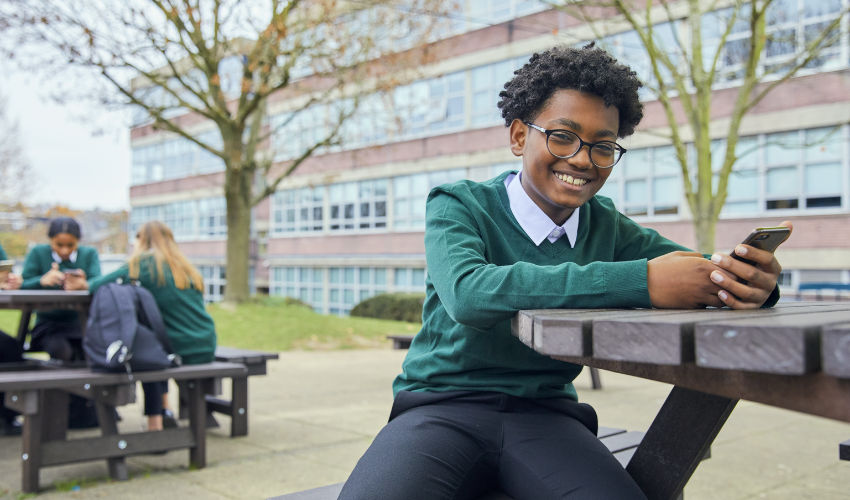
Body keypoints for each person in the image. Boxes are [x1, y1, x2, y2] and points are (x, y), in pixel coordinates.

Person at [337, 44, 790, 500]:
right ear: (519, 136)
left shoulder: (607, 223)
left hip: (545, 416)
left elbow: (695, 271)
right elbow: (469, 294)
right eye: (562, 136)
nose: (582, 159)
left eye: (603, 146)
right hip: (439, 410)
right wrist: (642, 281)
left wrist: (755, 282)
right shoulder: (460, 205)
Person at [89, 221, 217, 431]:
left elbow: (98, 285)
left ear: (142, 240)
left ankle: (155, 424)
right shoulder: (185, 265)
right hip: (205, 343)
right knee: (156, 345)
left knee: (146, 352)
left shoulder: (144, 262)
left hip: (179, 347)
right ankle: (165, 409)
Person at [20, 218, 101, 362]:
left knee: (91, 353)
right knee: (63, 352)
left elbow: (98, 282)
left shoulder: (89, 254)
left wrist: (84, 285)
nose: (65, 250)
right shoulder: (38, 253)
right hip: (48, 325)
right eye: (59, 245)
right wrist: (41, 281)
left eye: (70, 245)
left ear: (78, 240)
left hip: (82, 324)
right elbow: (22, 284)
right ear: (50, 240)